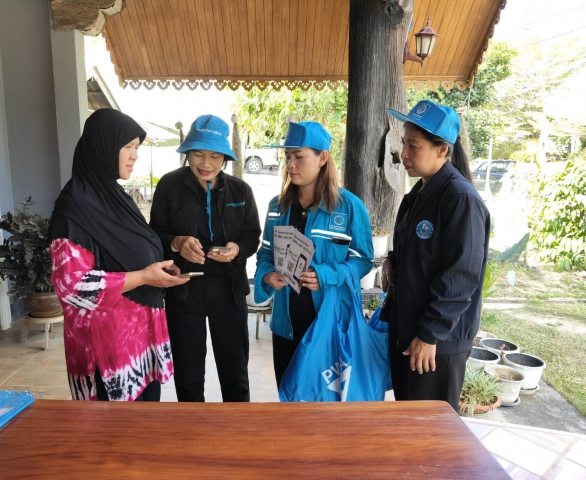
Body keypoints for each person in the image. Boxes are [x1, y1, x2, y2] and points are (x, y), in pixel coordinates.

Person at [49, 108, 189, 402]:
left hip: (139, 346)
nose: (134, 155)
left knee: (145, 422)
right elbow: (71, 286)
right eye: (127, 146)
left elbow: (133, 250)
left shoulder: (115, 198)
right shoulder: (74, 208)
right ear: (103, 146)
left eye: (136, 147)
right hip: (106, 353)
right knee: (113, 427)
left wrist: (158, 269)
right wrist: (143, 276)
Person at [382, 100, 490, 411]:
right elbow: (415, 251)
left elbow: (461, 276)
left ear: (442, 150)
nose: (404, 154)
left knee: (432, 427)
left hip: (436, 343)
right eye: (404, 143)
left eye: (413, 146)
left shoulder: (460, 199)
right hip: (411, 331)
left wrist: (430, 335)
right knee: (409, 419)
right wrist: (392, 261)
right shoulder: (419, 193)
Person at [253, 121, 374, 389]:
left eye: (299, 157)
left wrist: (326, 275)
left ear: (322, 158)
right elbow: (266, 253)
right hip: (286, 325)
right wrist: (267, 274)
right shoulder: (277, 206)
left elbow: (363, 260)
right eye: (287, 157)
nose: (290, 165)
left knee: (324, 403)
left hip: (328, 324)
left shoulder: (349, 206)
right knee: (288, 397)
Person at [150, 115, 261, 402]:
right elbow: (154, 234)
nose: (206, 163)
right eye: (198, 154)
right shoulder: (169, 186)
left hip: (229, 289)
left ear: (225, 157)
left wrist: (237, 249)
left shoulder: (241, 190)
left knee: (235, 371)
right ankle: (191, 426)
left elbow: (252, 237)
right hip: (184, 289)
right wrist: (177, 243)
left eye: (215, 156)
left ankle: (236, 425)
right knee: (188, 373)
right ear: (188, 152)